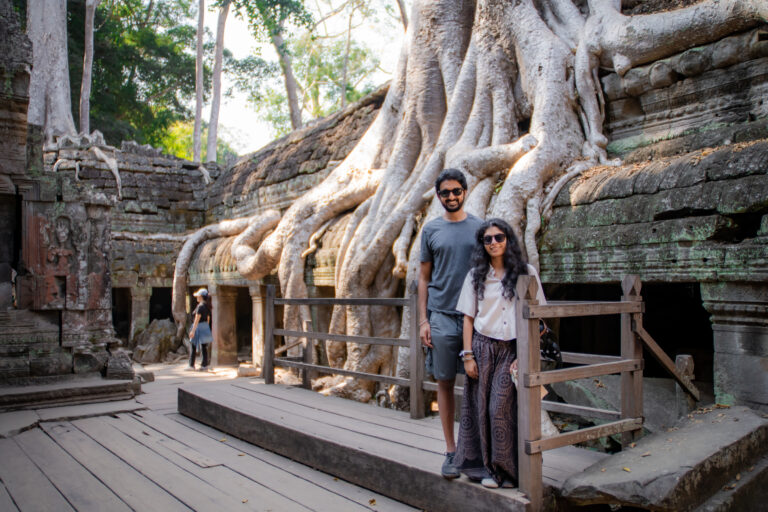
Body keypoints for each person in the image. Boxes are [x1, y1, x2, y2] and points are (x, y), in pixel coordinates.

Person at [453, 218, 546, 488]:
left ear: (508, 240)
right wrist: (467, 355)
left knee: (499, 410)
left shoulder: (525, 272)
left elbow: (540, 317)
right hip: (483, 347)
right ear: (482, 245)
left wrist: (526, 352)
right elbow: (468, 318)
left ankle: (506, 471)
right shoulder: (476, 275)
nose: (494, 243)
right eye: (488, 239)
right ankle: (486, 469)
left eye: (499, 237)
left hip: (513, 349)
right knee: (480, 409)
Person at [419, 168, 484, 479]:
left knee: (479, 381)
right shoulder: (431, 231)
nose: (451, 196)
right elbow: (423, 277)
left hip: (477, 316)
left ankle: (475, 452)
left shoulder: (482, 228)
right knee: (444, 382)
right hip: (442, 315)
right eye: (445, 192)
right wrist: (423, 320)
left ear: (465, 192)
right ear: (438, 196)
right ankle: (450, 450)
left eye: (456, 191)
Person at [187, 288, 213, 371]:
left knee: (193, 345)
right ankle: (204, 365)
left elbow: (196, 319)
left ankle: (191, 365)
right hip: (205, 326)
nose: (197, 297)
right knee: (204, 347)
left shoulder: (200, 307)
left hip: (198, 326)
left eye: (198, 296)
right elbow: (208, 318)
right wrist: (207, 328)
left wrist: (193, 331)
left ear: (201, 297)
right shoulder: (207, 306)